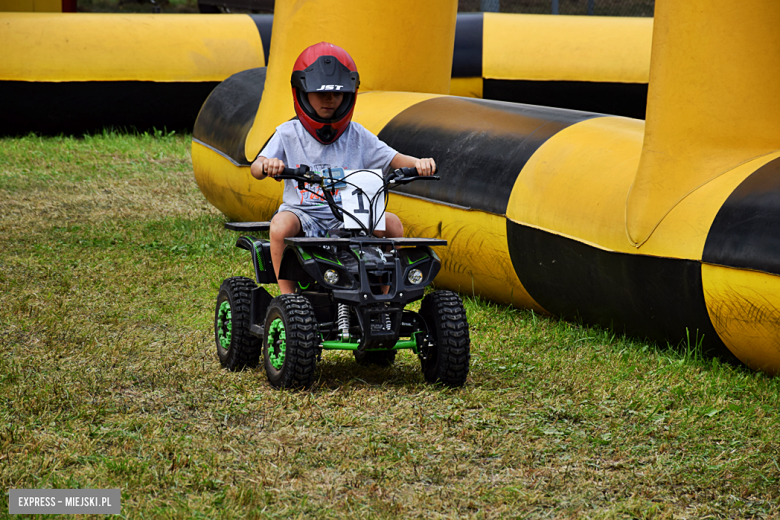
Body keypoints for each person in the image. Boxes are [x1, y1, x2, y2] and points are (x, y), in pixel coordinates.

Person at [250, 41, 436, 294]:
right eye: (321, 93)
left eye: (337, 94)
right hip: (305, 215)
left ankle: (386, 296)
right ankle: (287, 297)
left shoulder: (357, 135)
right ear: (302, 93)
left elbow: (395, 158)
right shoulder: (288, 133)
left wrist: (419, 164)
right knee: (280, 224)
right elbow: (256, 167)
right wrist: (267, 165)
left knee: (392, 224)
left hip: (350, 216)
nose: (330, 100)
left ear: (349, 96)